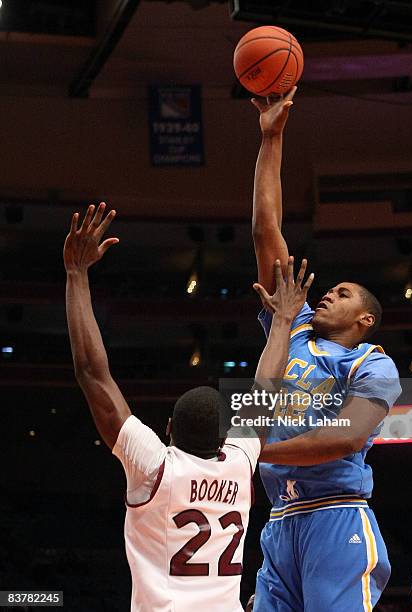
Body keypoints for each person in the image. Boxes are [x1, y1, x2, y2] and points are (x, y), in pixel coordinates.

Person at [63, 202, 313, 612]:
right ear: (226, 434)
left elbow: (91, 372)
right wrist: (284, 321)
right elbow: (266, 387)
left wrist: (76, 274)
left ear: (168, 430)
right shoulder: (238, 460)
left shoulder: (155, 466)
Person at [250, 87, 402, 611]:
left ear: (364, 320)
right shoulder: (290, 329)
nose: (326, 295)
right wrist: (272, 139)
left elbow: (346, 437)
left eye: (340, 293)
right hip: (279, 522)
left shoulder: (371, 361)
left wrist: (254, 450)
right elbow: (265, 232)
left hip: (337, 516)